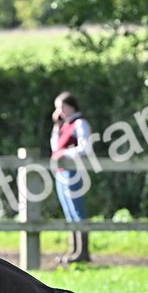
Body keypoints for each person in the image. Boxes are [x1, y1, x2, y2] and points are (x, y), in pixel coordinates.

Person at [50, 91, 93, 264]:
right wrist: (56, 126)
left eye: (61, 107)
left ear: (70, 106)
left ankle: (83, 251)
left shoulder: (80, 123)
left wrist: (65, 154)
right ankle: (74, 249)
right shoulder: (64, 126)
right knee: (69, 212)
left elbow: (85, 148)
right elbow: (55, 146)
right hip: (62, 172)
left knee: (77, 211)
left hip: (74, 172)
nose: (59, 112)